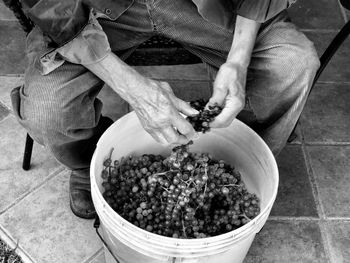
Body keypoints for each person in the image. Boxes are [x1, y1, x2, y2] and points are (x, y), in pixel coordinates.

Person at [9, 0, 319, 219]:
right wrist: (130, 87)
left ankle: (241, 150)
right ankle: (84, 159)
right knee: (46, 111)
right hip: (92, 10)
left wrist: (239, 59)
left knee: (292, 64)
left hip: (205, 5)